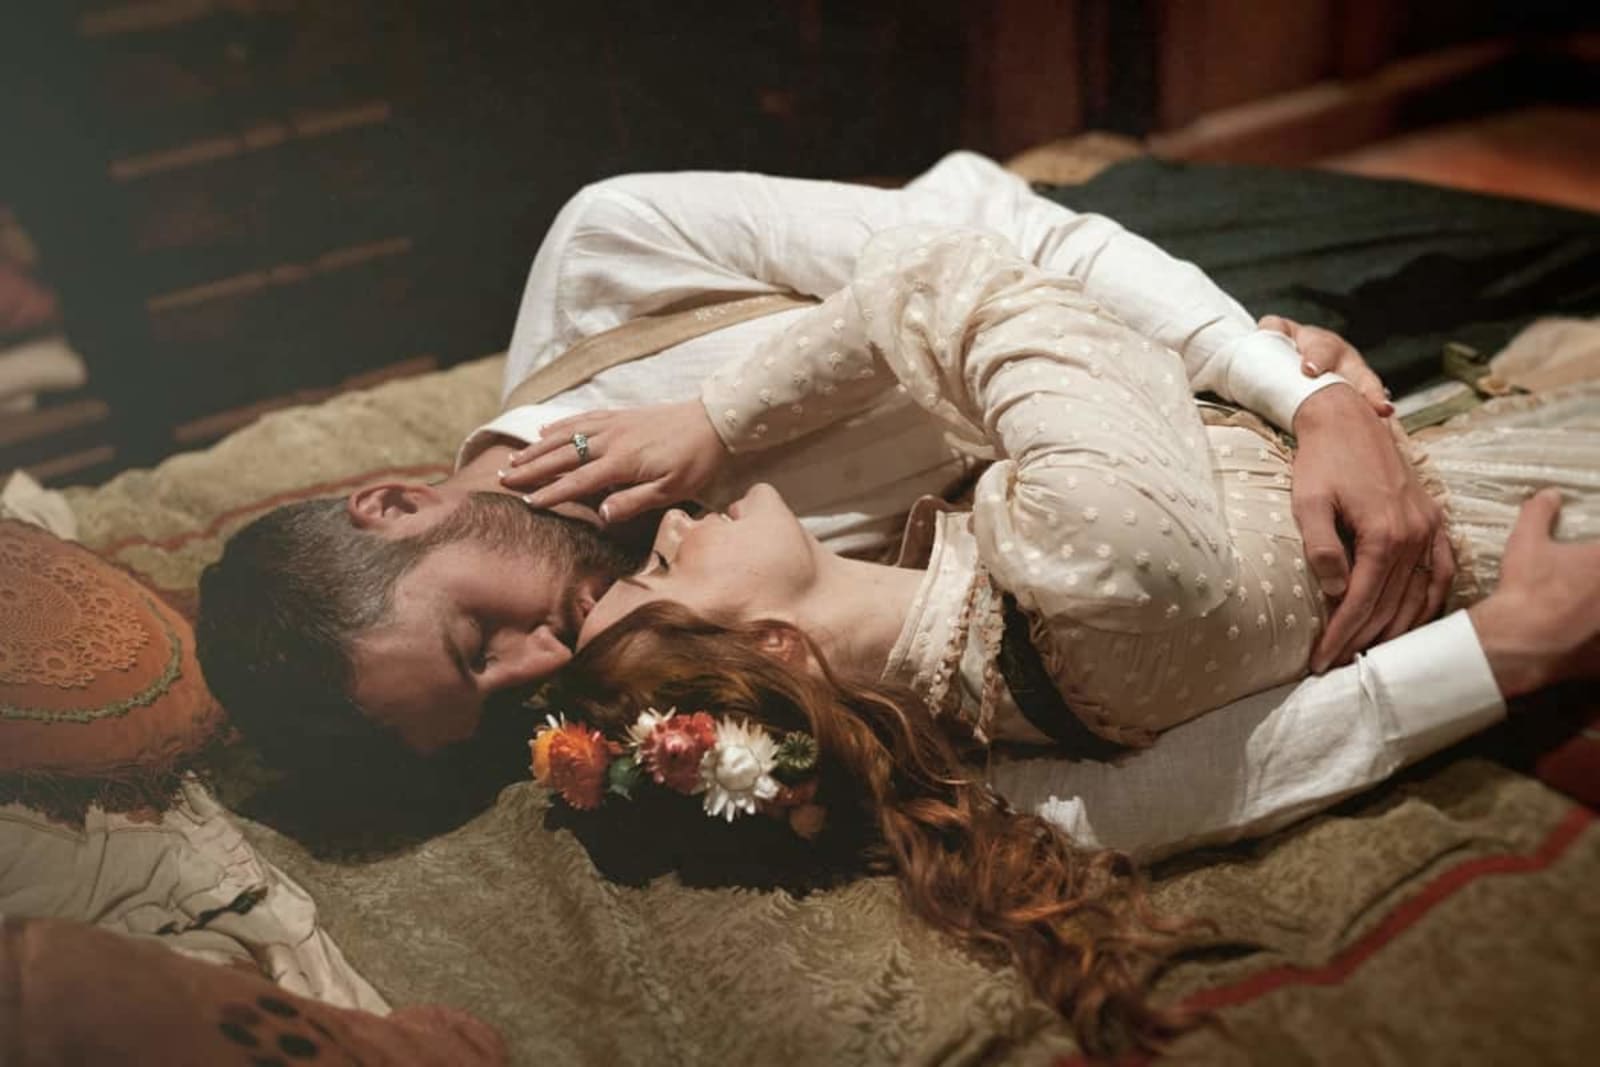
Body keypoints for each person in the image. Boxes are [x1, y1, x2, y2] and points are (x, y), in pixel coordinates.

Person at [540, 224, 1600, 1051]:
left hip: (1474, 432)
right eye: (664, 571)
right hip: (1551, 506)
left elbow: (1237, 774)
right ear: (777, 650)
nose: (667, 527)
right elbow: (944, 272)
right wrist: (719, 417)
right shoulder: (1078, 552)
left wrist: (1296, 396)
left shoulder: (988, 756)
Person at [198, 152, 1448, 759]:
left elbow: (1019, 248)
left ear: (396, 502)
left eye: (477, 638)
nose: (540, 665)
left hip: (1145, 268)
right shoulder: (668, 659)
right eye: (492, 705)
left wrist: (1307, 398)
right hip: (1185, 471)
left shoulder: (608, 258)